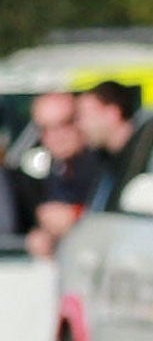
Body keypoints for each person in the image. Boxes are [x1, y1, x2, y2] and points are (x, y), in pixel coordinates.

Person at [24, 91, 99, 259]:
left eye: (64, 124)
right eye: (44, 129)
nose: (54, 136)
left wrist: (75, 215)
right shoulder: (56, 168)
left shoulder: (103, 163)